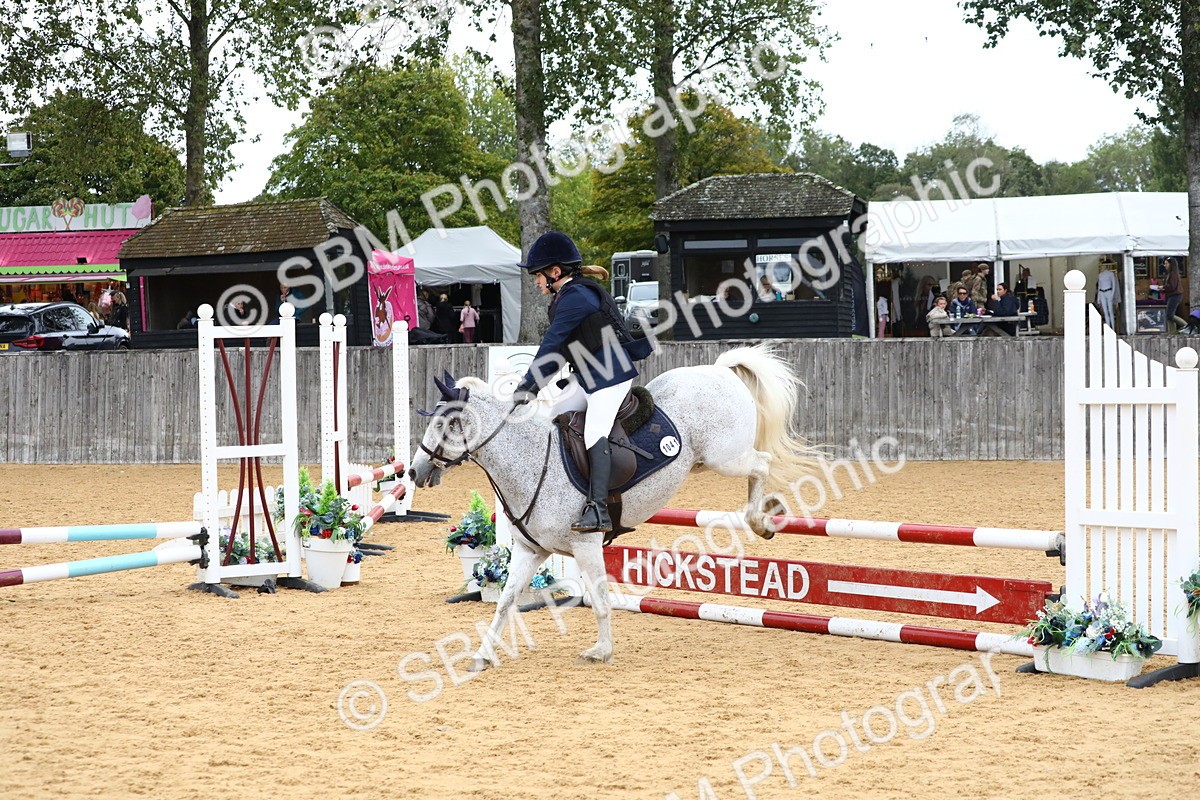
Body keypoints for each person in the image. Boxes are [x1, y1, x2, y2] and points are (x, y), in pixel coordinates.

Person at [512, 231, 653, 533]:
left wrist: (527, 386)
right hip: (588, 375)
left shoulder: (577, 298)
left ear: (555, 272)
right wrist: (531, 389)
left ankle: (599, 510)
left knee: (594, 432)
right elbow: (560, 353)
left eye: (537, 276)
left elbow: (551, 346)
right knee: (553, 418)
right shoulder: (566, 297)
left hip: (611, 376)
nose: (536, 282)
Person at [1095, 264, 1121, 330]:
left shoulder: (1111, 274)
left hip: (1109, 291)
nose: (1103, 267)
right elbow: (1099, 286)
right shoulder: (1100, 275)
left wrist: (1112, 294)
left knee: (1110, 311)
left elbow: (1114, 285)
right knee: (1105, 312)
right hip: (1102, 292)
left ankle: (1113, 328)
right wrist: (1098, 297)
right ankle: (1108, 328)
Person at [1162, 258, 1184, 333]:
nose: (1164, 265)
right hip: (1173, 295)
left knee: (1169, 315)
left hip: (1175, 296)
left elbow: (1172, 286)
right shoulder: (1172, 274)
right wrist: (1163, 289)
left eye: (1166, 263)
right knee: (1169, 315)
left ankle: (1186, 325)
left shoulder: (1173, 274)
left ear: (1171, 264)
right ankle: (1172, 332)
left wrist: (1163, 287)